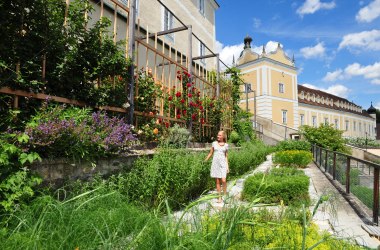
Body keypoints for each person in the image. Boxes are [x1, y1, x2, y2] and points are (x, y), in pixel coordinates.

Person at [205, 130, 229, 203]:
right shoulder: (214, 143)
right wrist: (205, 160)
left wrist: (227, 167)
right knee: (218, 182)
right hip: (215, 164)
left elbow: (226, 157)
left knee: (224, 180)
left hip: (223, 164)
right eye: (218, 135)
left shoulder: (226, 145)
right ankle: (219, 197)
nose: (218, 136)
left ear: (223, 136)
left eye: (220, 135)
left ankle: (225, 195)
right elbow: (210, 153)